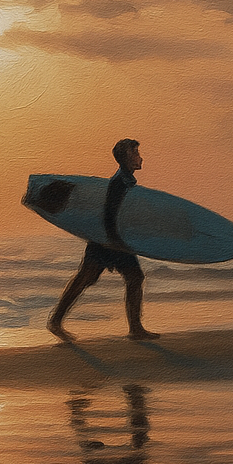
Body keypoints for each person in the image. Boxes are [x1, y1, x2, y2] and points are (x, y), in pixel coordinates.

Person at [47, 139, 160, 342]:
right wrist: (114, 241)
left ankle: (56, 321)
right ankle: (134, 328)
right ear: (126, 158)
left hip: (110, 239)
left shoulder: (126, 181)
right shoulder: (120, 183)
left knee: (100, 278)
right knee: (96, 278)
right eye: (135, 153)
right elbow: (110, 214)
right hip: (109, 241)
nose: (140, 157)